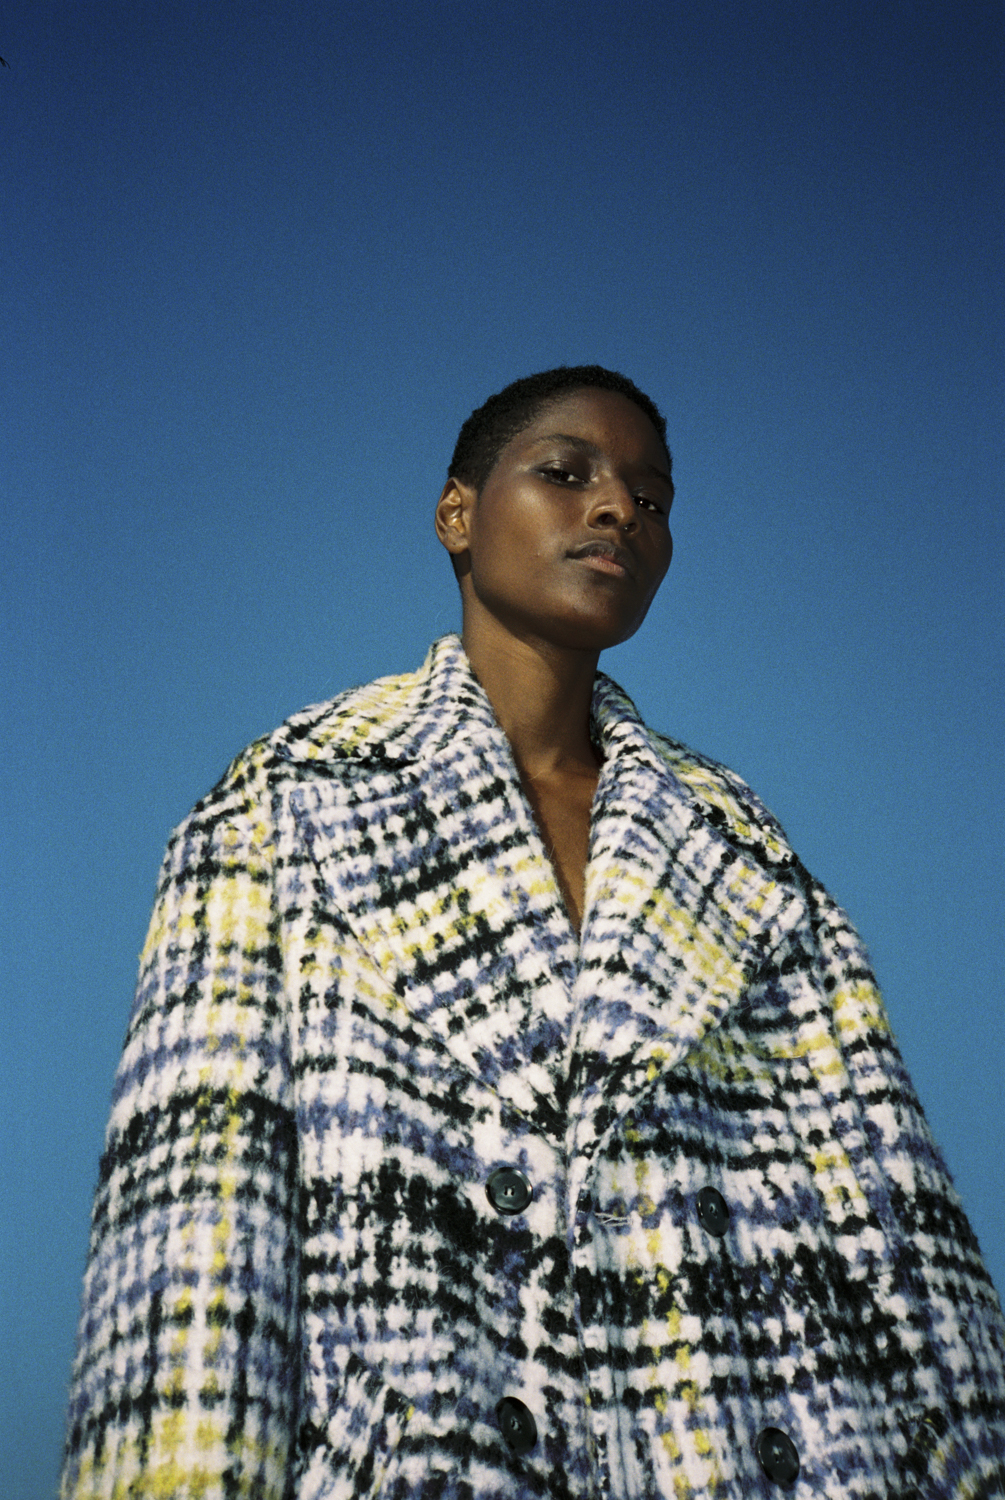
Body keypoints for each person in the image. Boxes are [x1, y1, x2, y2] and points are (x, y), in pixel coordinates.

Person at [61, 367, 1005, 1500]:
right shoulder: (283, 801)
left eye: (651, 499)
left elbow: (900, 1235)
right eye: (566, 473)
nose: (617, 510)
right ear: (456, 514)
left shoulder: (740, 845)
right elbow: (191, 1259)